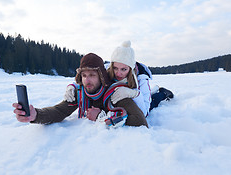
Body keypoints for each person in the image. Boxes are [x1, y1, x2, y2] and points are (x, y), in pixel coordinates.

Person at [13, 53, 148, 128]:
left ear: (101, 77)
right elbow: (59, 111)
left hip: (141, 96)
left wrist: (103, 117)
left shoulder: (117, 93)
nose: (87, 81)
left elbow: (140, 120)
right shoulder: (80, 93)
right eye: (84, 76)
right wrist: (35, 115)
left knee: (151, 104)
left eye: (92, 75)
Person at [106, 41, 174, 117]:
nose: (118, 73)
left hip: (140, 102)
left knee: (152, 102)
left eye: (123, 69)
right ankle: (152, 90)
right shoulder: (107, 71)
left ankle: (163, 93)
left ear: (130, 69)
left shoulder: (141, 79)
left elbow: (144, 113)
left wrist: (134, 94)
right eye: (115, 68)